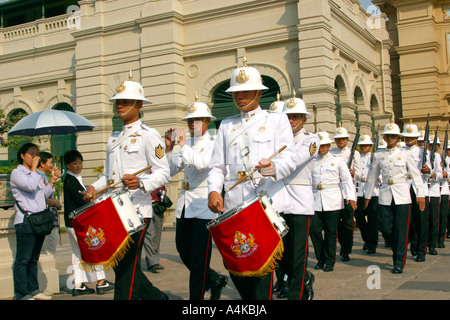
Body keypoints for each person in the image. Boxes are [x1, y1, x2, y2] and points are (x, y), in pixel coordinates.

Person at [207, 57, 297, 300]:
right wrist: (214, 190)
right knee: (235, 263)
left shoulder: (276, 120)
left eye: (246, 91)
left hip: (266, 204)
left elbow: (290, 160)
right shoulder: (226, 125)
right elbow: (217, 165)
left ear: (258, 92)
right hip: (235, 206)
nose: (240, 97)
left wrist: (272, 166)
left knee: (261, 268)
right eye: (236, 92)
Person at [86, 72, 170, 300]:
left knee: (126, 271)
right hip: (113, 211)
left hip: (137, 211)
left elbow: (164, 172)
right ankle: (157, 298)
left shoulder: (149, 135)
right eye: (117, 102)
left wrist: (142, 182)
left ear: (139, 104)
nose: (119, 106)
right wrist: (94, 187)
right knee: (122, 267)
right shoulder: (113, 138)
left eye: (124, 102)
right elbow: (108, 176)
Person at [166, 94, 227, 300]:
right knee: (183, 250)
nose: (192, 124)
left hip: (203, 205)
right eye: (190, 120)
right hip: (185, 205)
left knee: (199, 257)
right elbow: (170, 170)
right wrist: (169, 149)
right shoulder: (186, 143)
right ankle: (214, 280)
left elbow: (201, 164)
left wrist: (183, 146)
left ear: (208, 121)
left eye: (197, 120)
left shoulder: (214, 141)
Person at [267, 94, 318, 300]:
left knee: (297, 255)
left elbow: (295, 160)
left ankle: (296, 295)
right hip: (277, 201)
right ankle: (305, 278)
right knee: (280, 255)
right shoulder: (276, 139)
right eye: (287, 116)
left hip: (298, 203)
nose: (291, 121)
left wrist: (270, 165)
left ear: (304, 119)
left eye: (296, 117)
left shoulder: (311, 139)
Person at [364, 122, 426, 274]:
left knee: (401, 230)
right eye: (388, 136)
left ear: (398, 138)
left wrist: (420, 194)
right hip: (385, 193)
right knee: (385, 227)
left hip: (402, 195)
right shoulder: (379, 154)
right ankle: (399, 247)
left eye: (393, 136)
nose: (390, 138)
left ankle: (398, 261)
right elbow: (372, 176)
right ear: (384, 137)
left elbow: (416, 175)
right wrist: (367, 195)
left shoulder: (406, 154)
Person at [10, 143, 58, 300]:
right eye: (32, 154)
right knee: (23, 259)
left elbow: (43, 194)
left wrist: (52, 180)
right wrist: (34, 169)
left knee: (33, 258)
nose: (35, 157)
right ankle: (22, 293)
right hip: (25, 220)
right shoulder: (17, 173)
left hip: (38, 220)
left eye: (37, 154)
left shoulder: (35, 174)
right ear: (23, 156)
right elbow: (30, 186)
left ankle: (34, 290)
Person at [63, 149, 114, 296]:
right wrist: (91, 197)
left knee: (77, 254)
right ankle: (101, 281)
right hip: (78, 223)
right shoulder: (71, 180)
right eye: (75, 163)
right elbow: (82, 201)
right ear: (68, 165)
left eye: (80, 163)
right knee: (94, 247)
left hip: (71, 223)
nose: (78, 166)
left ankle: (78, 284)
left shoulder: (71, 179)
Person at [310, 131, 357, 272]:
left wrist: (351, 197)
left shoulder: (338, 160)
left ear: (329, 146)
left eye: (324, 145)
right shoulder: (311, 161)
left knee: (331, 232)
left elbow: (347, 179)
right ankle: (320, 258)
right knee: (314, 230)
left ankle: (330, 261)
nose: (321, 148)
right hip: (314, 200)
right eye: (318, 146)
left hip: (333, 200)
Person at [330, 124, 361, 261]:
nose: (340, 141)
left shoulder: (354, 153)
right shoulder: (331, 153)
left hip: (348, 192)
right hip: (335, 192)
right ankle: (340, 245)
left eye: (343, 139)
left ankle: (346, 249)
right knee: (336, 223)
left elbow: (360, 174)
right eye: (338, 139)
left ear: (347, 139)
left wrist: (353, 173)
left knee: (347, 223)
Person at [402, 123, 430, 262]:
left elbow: (430, 172)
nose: (409, 139)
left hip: (420, 188)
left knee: (421, 221)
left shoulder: (423, 152)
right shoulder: (400, 150)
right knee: (409, 219)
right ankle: (413, 242)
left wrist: (427, 171)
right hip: (405, 188)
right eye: (407, 136)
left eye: (412, 137)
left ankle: (421, 250)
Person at [354, 135, 379, 254]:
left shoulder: (374, 157)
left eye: (366, 145)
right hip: (360, 190)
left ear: (370, 146)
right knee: (359, 216)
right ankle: (367, 239)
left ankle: (372, 244)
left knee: (372, 219)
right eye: (362, 145)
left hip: (373, 191)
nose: (363, 147)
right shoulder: (358, 157)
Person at [37, 152, 61, 256]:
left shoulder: (44, 177)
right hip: (46, 219)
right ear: (42, 164)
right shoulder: (38, 177)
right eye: (50, 162)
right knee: (48, 253)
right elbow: (42, 197)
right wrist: (56, 203)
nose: (52, 165)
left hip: (50, 218)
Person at [143, 186, 169, 273]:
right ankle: (152, 262)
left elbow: (164, 191)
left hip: (158, 207)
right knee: (149, 234)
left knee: (157, 236)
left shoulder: (160, 176)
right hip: (146, 207)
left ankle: (154, 260)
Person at [427, 135, 443, 255]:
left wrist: (434, 175)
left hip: (433, 190)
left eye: (435, 146)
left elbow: (440, 174)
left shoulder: (438, 157)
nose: (433, 147)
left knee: (433, 219)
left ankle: (432, 244)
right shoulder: (421, 154)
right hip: (422, 190)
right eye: (430, 145)